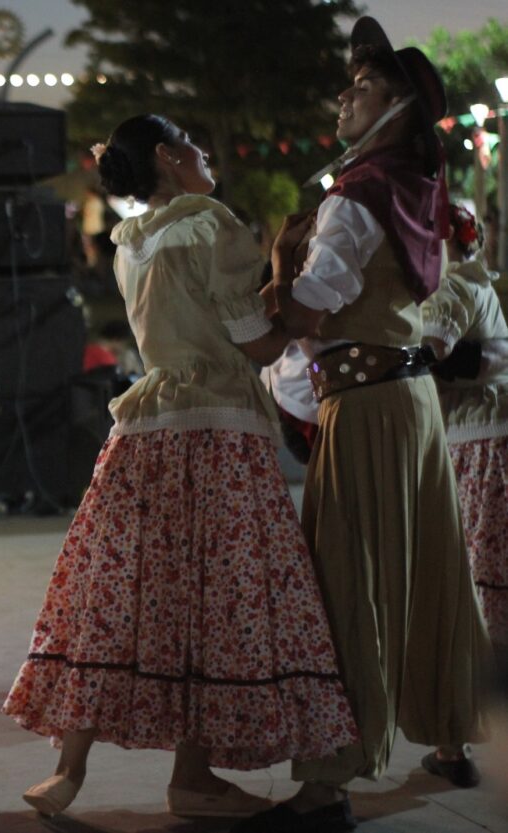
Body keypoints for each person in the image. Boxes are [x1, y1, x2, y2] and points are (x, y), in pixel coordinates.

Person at [3, 115, 358, 821]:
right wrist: (290, 280)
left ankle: (68, 770)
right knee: (216, 601)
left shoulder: (133, 240)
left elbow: (196, 321)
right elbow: (255, 348)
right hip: (219, 427)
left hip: (148, 425)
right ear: (169, 156)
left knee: (120, 591)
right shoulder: (211, 225)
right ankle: (191, 775)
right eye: (194, 144)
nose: (205, 153)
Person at [237, 18, 491, 833]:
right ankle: (449, 737)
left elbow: (307, 311)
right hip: (411, 403)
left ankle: (326, 785)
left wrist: (280, 265)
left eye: (364, 88)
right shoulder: (420, 192)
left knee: (349, 584)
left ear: (402, 109)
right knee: (429, 571)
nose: (345, 98)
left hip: (366, 404)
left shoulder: (353, 199)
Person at [421, 205, 508, 654]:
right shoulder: (476, 281)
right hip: (488, 430)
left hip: (477, 437)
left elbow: (430, 349)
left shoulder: (451, 286)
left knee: (481, 555)